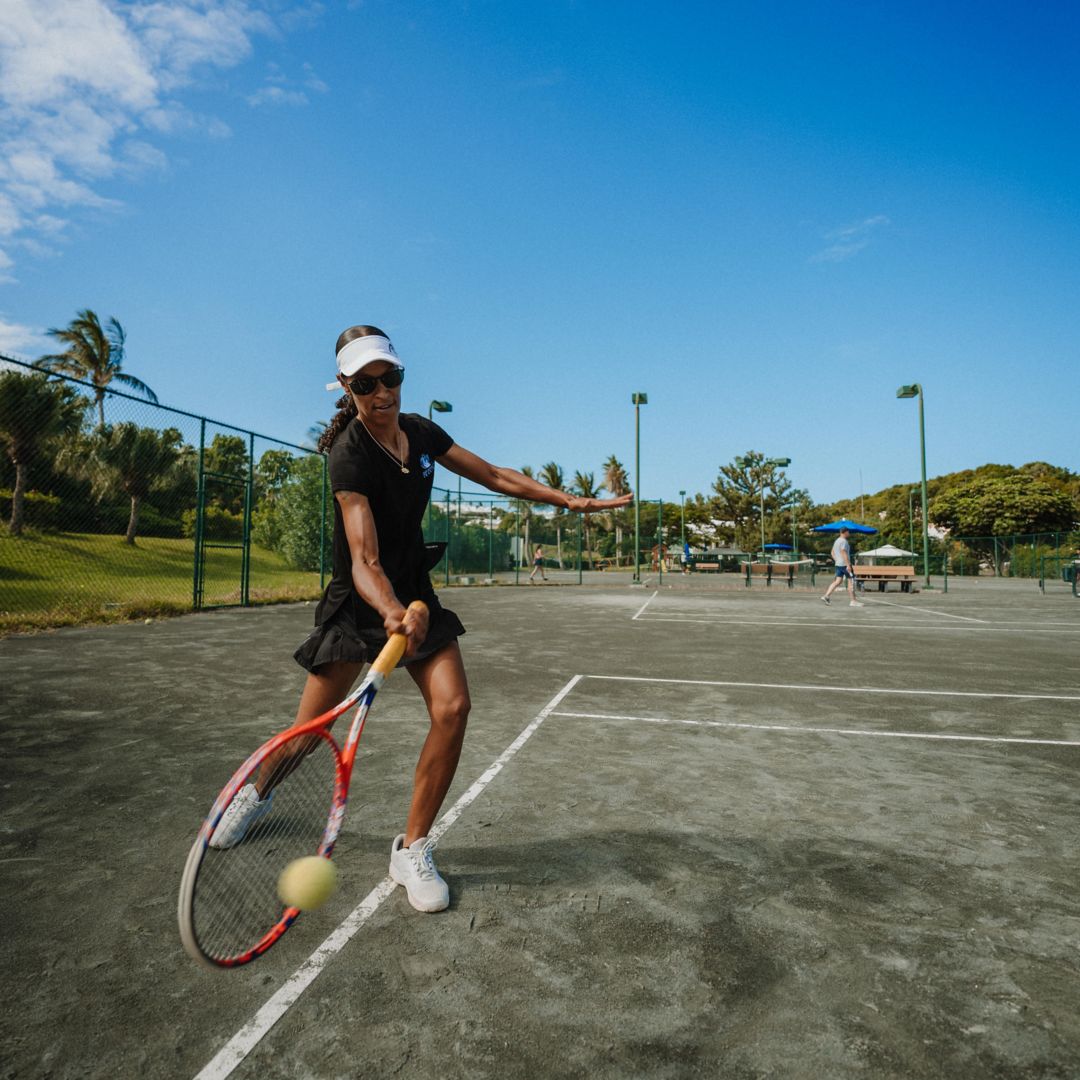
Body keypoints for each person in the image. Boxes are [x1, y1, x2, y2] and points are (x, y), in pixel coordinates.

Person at [211, 325, 632, 913]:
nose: (382, 392)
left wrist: (569, 500)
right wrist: (389, 612)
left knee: (453, 708)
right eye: (366, 384)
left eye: (390, 377)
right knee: (307, 735)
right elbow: (364, 559)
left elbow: (495, 476)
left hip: (415, 598)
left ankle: (411, 849)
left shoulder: (421, 433)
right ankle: (256, 795)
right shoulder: (348, 455)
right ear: (346, 387)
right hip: (359, 606)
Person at [820, 526, 863, 607]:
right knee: (851, 581)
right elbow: (843, 552)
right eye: (848, 532)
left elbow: (832, 552)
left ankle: (826, 596)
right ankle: (853, 601)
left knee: (838, 581)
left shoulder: (837, 541)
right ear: (845, 532)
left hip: (839, 565)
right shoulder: (844, 541)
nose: (849, 533)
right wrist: (848, 565)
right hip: (845, 565)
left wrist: (837, 560)